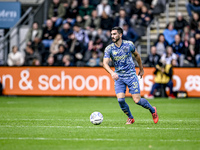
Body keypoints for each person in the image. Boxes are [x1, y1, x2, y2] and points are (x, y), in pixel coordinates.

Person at [103, 26, 158, 125]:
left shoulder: (129, 45)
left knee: (137, 100)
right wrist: (112, 73)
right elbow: (105, 63)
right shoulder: (109, 48)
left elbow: (137, 55)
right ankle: (130, 118)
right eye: (111, 34)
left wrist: (141, 69)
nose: (112, 36)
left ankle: (152, 110)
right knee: (120, 100)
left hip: (131, 76)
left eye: (114, 34)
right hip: (119, 77)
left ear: (120, 35)